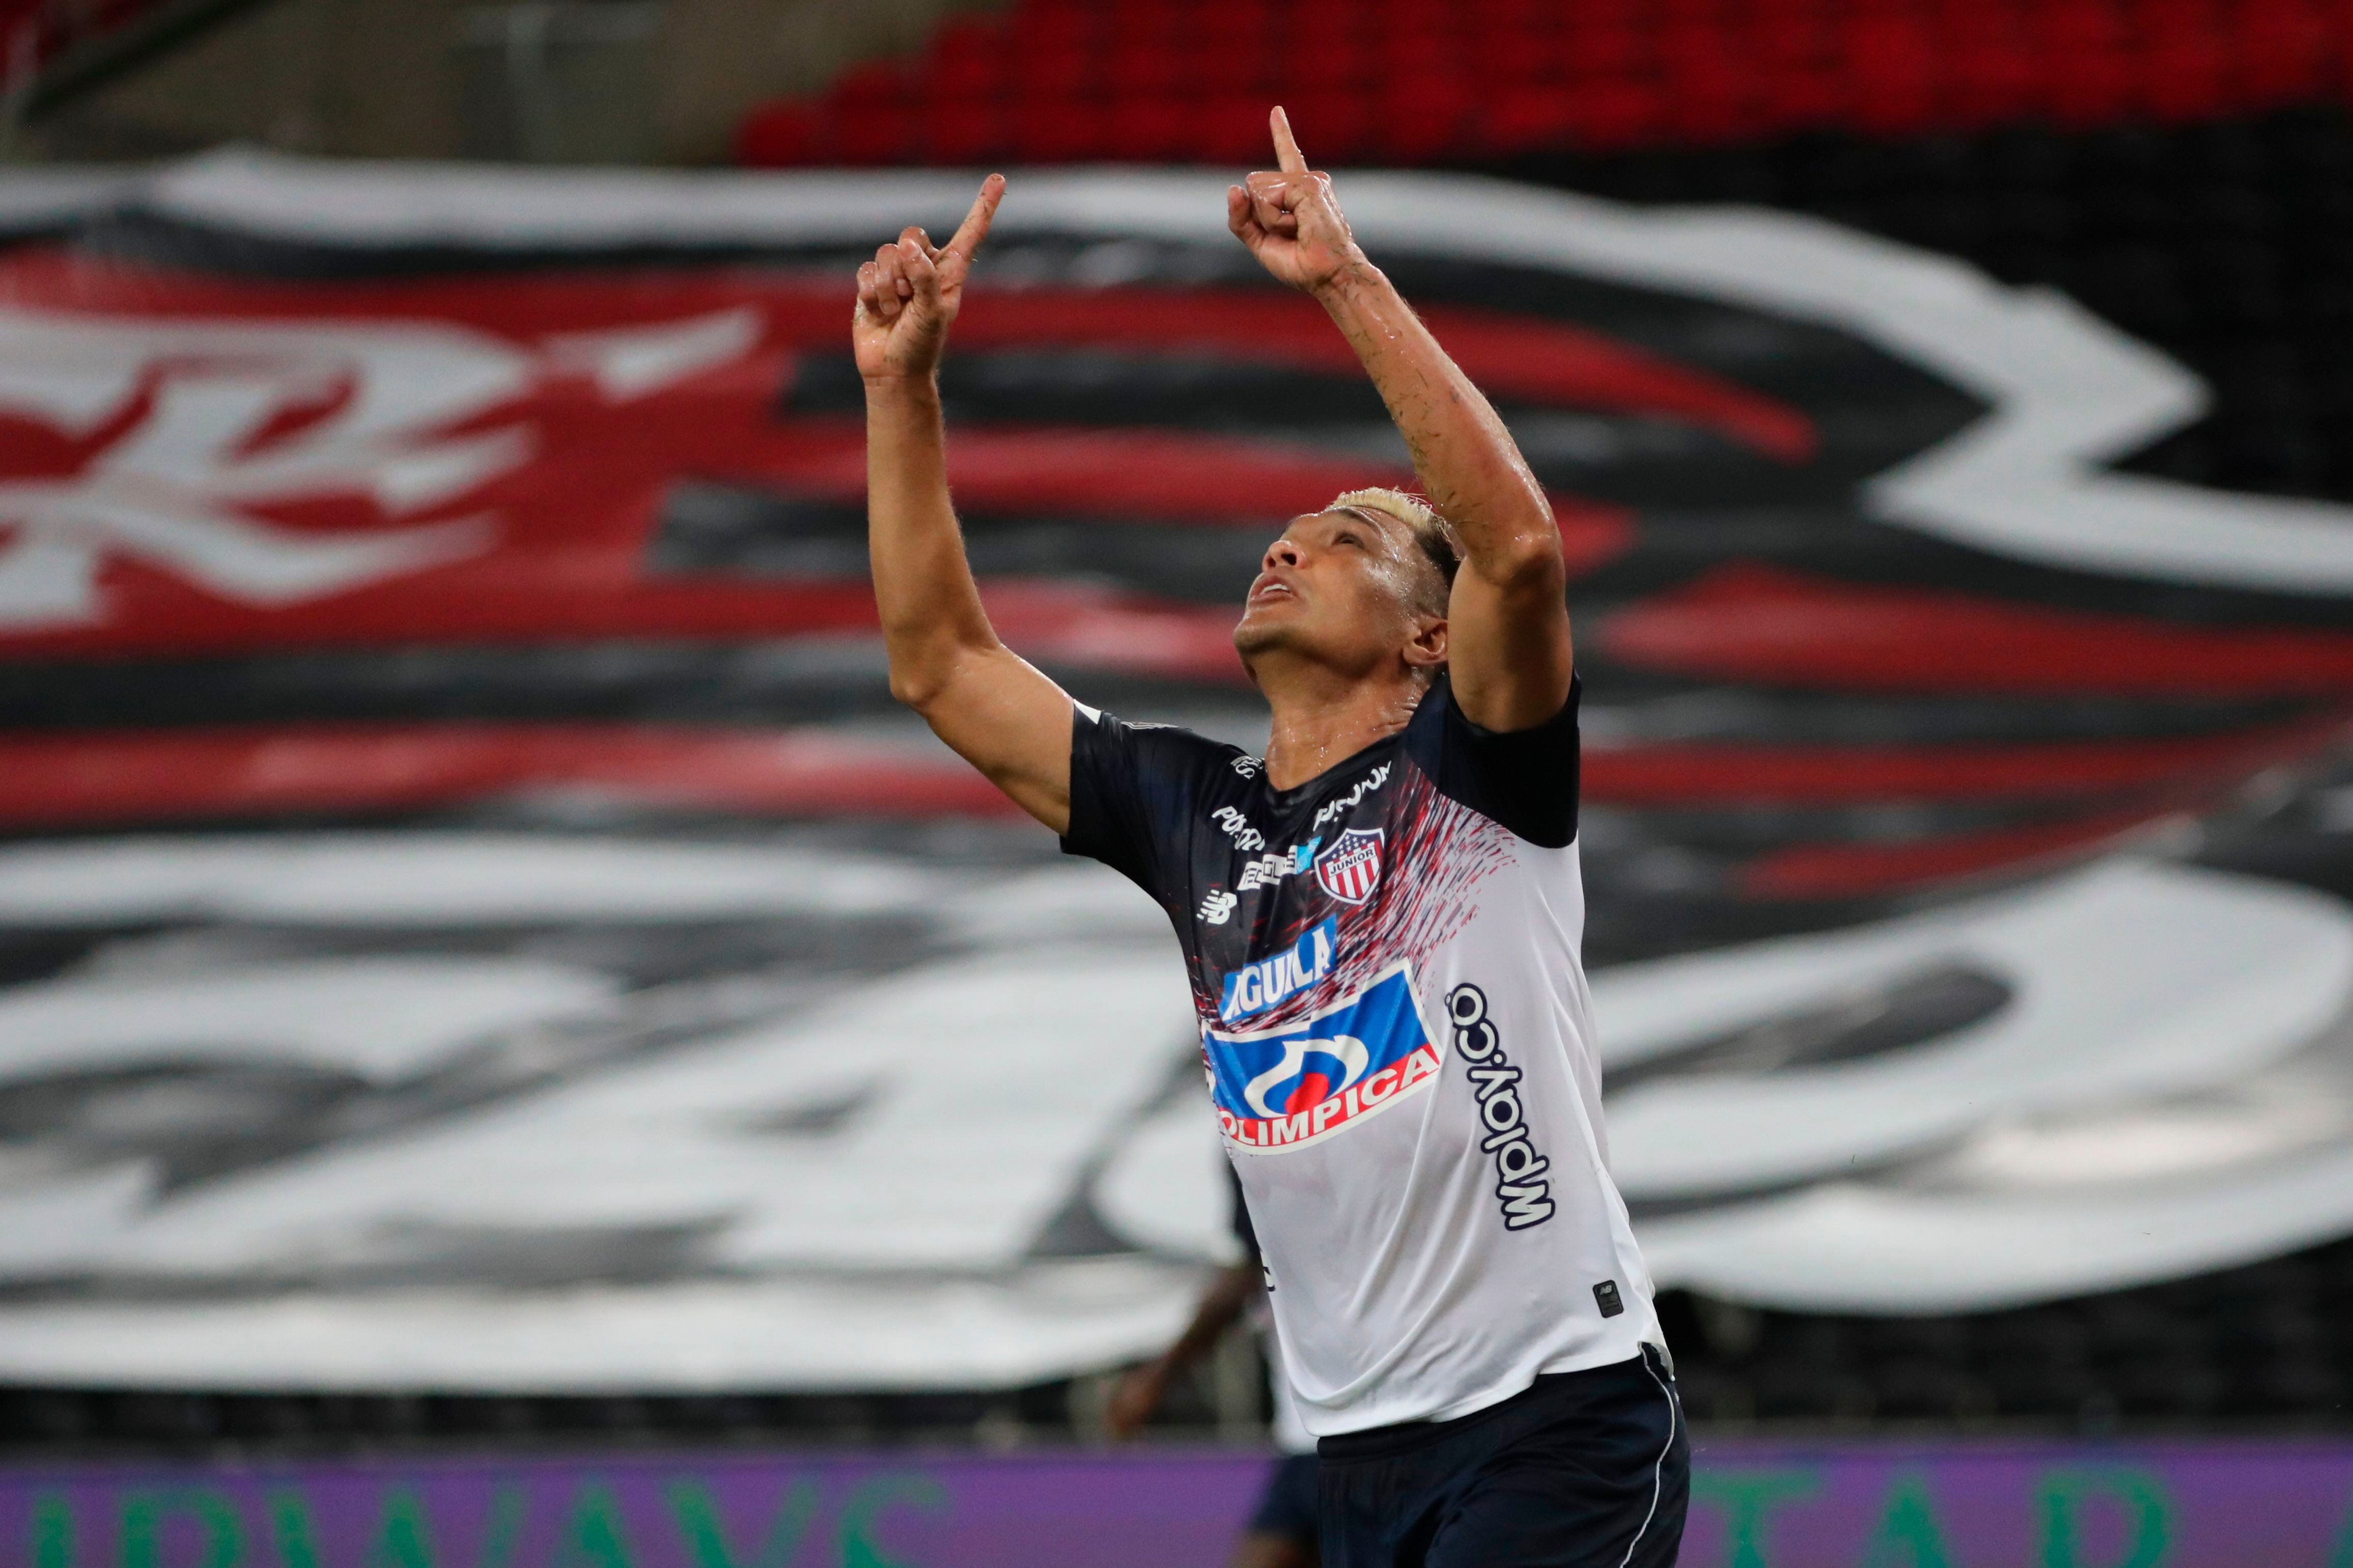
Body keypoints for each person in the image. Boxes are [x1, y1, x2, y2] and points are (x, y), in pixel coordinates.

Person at [854, 107, 1687, 1568]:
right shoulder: (1197, 818)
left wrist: (1341, 280)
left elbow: (1521, 549)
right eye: (1281, 535)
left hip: (1550, 1413)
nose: (1283, 546)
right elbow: (941, 664)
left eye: (1340, 540)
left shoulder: (1471, 773)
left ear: (1431, 638)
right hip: (1353, 1452)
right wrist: (899, 390)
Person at [1108, 1171, 1321, 1568]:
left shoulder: (1268, 1129)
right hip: (1317, 1436)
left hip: (1357, 1430)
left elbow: (1242, 1275)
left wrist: (1159, 1374)